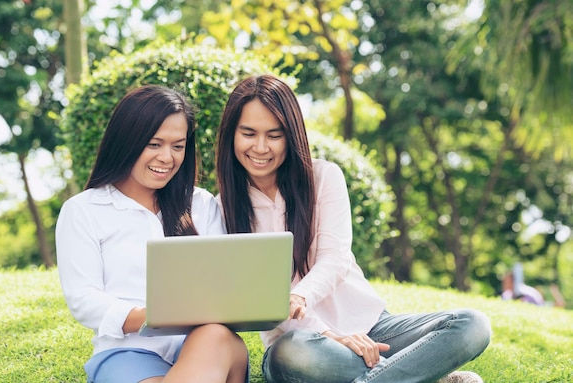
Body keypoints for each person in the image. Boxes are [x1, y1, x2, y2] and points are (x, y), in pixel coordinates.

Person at [215, 74, 491, 383]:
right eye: (249, 133)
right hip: (303, 342)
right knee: (291, 356)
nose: (261, 147)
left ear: (291, 135)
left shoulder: (323, 177)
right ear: (232, 135)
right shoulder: (221, 209)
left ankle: (388, 374)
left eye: (274, 135)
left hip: (373, 327)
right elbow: (259, 301)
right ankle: (415, 373)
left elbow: (335, 258)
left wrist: (300, 296)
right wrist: (329, 335)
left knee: (472, 324)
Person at [56, 85, 249, 383]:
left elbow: (222, 286)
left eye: (178, 145)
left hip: (208, 344)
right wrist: (155, 315)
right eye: (154, 144)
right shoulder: (83, 210)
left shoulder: (201, 204)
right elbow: (84, 299)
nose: (167, 157)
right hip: (128, 353)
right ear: (127, 141)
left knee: (212, 336)